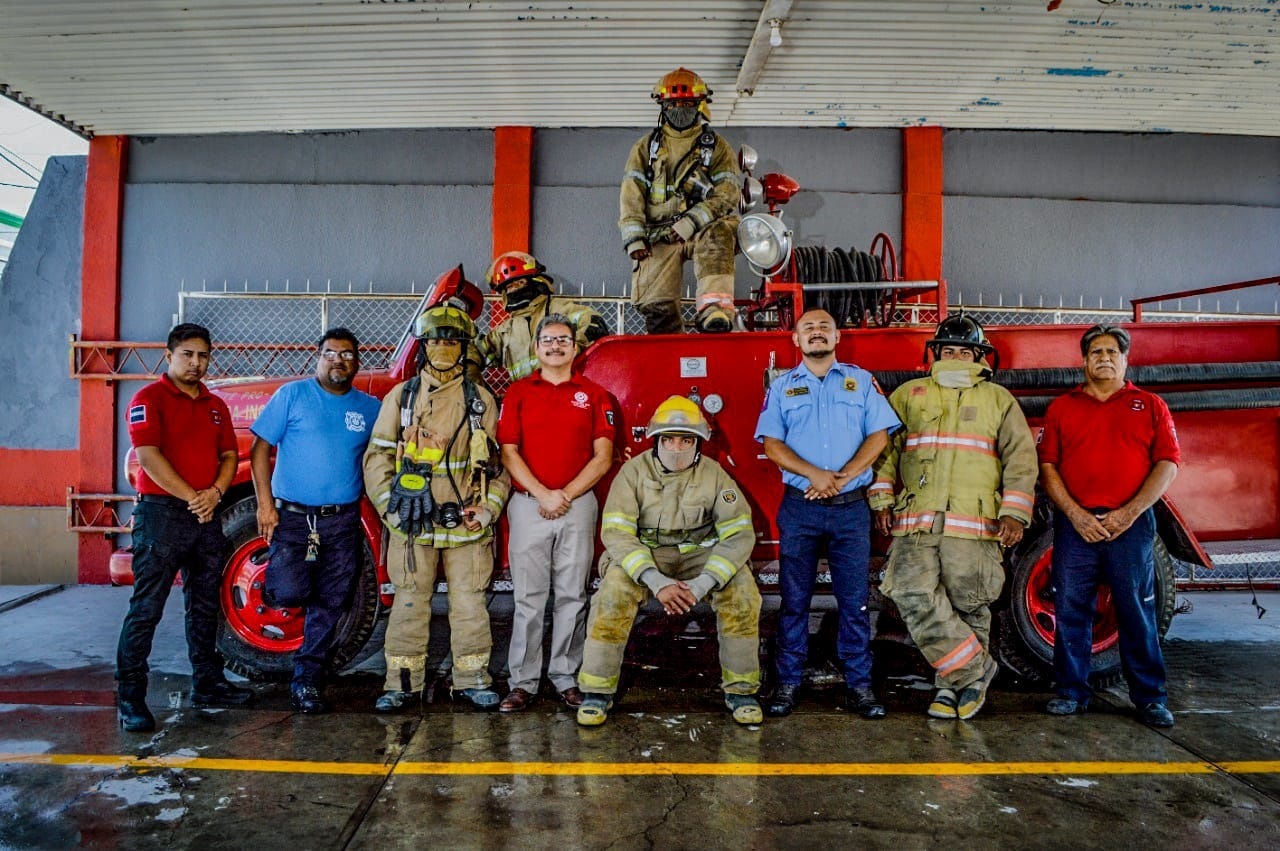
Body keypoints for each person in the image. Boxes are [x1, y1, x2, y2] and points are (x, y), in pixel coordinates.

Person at [869, 314, 1038, 720]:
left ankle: (949, 688)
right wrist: (881, 500)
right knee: (909, 591)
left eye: (966, 351)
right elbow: (886, 451)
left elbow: (1021, 458)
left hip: (974, 524)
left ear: (980, 357)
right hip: (916, 521)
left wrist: (1014, 513)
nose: (957, 357)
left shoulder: (998, 400)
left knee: (968, 603)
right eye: (949, 350)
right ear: (936, 354)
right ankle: (974, 671)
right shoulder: (909, 395)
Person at [576, 395, 763, 726]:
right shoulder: (633, 473)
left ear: (699, 442)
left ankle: (742, 692)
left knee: (743, 594)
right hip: (646, 557)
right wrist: (656, 580)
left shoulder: (715, 475)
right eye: (669, 439)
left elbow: (738, 534)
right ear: (656, 440)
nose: (677, 447)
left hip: (700, 557)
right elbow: (617, 533)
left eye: (686, 439)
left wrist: (704, 582)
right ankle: (596, 692)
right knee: (613, 594)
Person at [754, 309, 901, 719]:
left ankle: (860, 687)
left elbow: (879, 434)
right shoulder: (783, 387)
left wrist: (844, 476)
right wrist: (815, 475)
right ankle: (786, 683)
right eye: (808, 329)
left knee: (854, 602)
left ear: (837, 337)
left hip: (849, 510)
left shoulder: (860, 381)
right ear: (796, 341)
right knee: (794, 601)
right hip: (800, 508)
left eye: (824, 327)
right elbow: (772, 444)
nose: (816, 333)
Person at [364, 304, 510, 711]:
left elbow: (499, 468)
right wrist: (389, 509)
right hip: (412, 526)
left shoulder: (481, 400)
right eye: (435, 340)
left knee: (470, 606)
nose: (443, 347)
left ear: (464, 347)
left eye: (451, 340)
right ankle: (402, 684)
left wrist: (487, 511)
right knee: (409, 603)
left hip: (467, 527)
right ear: (423, 347)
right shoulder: (403, 398)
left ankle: (472, 679)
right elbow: (376, 458)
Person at [1038, 324, 1179, 728]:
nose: (1104, 358)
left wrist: (1128, 513)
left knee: (1137, 610)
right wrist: (1077, 515)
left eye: (1112, 352)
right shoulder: (1062, 408)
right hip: (1075, 527)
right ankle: (1070, 691)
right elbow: (1047, 467)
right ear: (1084, 361)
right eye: (1096, 352)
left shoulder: (1150, 405)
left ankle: (1150, 698)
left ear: (1125, 360)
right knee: (1071, 609)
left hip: (1130, 527)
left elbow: (1167, 465)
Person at [115, 323, 252, 732]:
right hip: (162, 516)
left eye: (203, 356)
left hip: (206, 516)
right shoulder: (148, 399)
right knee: (147, 609)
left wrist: (214, 492)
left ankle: (208, 682)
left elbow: (229, 454)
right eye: (187, 355)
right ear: (169, 355)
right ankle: (130, 698)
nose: (196, 363)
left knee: (205, 604)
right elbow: (149, 456)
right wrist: (194, 495)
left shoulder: (215, 404)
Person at [248, 328, 382, 714]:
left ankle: (306, 680)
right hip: (292, 518)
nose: (337, 360)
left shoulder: (369, 408)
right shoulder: (292, 395)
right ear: (317, 357)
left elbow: (388, 452)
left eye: (346, 354)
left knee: (333, 602)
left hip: (342, 521)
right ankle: (300, 641)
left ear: (356, 361)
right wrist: (264, 506)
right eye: (330, 353)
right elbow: (260, 450)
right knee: (288, 591)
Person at [495, 314, 617, 712]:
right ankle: (523, 682)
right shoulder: (518, 393)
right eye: (547, 340)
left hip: (578, 507)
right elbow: (509, 453)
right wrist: (543, 494)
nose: (555, 346)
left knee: (572, 596)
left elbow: (603, 458)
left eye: (563, 340)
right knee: (528, 600)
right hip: (530, 507)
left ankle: (566, 676)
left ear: (575, 347)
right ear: (536, 348)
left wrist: (564, 495)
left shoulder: (596, 395)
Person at [619, 67, 741, 335]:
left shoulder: (717, 147)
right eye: (673, 104)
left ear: (700, 105)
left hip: (703, 229)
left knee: (719, 233)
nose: (680, 109)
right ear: (662, 105)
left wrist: (692, 221)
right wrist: (634, 238)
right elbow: (631, 196)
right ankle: (668, 349)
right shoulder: (645, 148)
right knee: (658, 309)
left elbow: (729, 192)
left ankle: (714, 312)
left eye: (687, 103)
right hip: (658, 235)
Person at [477, 251, 609, 381]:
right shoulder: (505, 330)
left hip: (565, 390)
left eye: (520, 282)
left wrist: (571, 347)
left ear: (536, 282)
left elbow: (595, 323)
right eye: (509, 286)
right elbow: (477, 352)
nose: (515, 289)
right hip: (526, 396)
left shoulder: (560, 309)